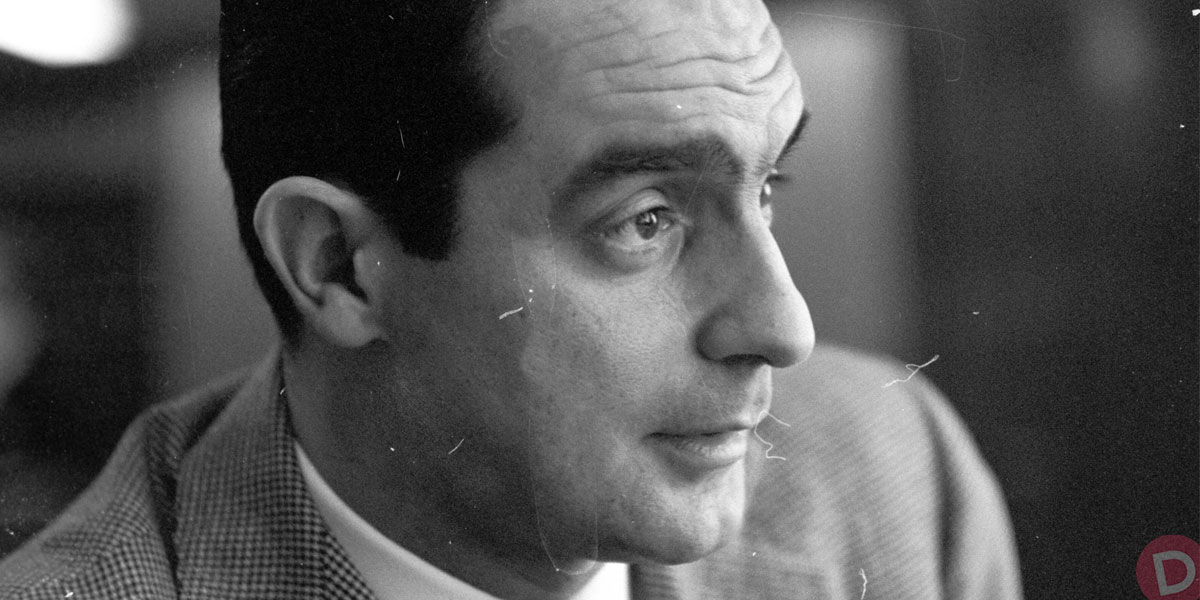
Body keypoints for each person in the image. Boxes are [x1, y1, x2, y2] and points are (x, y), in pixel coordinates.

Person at [0, 0, 1023, 598]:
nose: (784, 328)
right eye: (646, 220)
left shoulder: (895, 473)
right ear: (339, 267)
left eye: (765, 187)